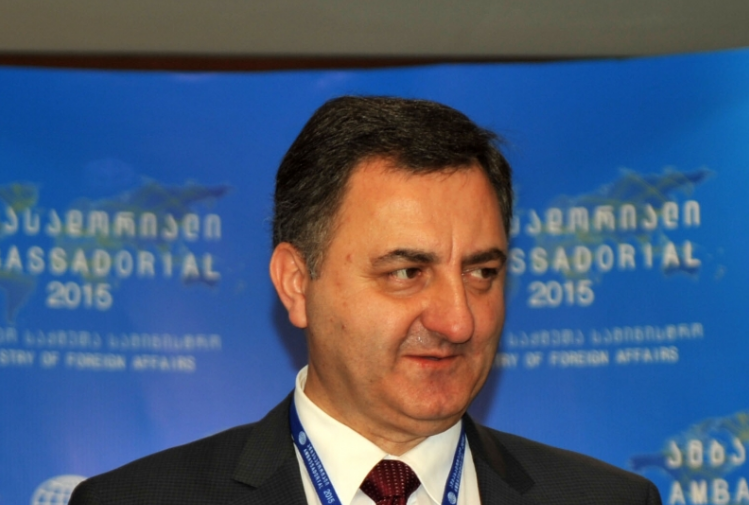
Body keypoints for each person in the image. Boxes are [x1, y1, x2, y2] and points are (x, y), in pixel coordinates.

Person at [70, 96, 662, 505]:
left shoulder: (610, 499)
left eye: (481, 272)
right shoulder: (133, 500)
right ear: (297, 282)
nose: (458, 321)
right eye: (407, 272)